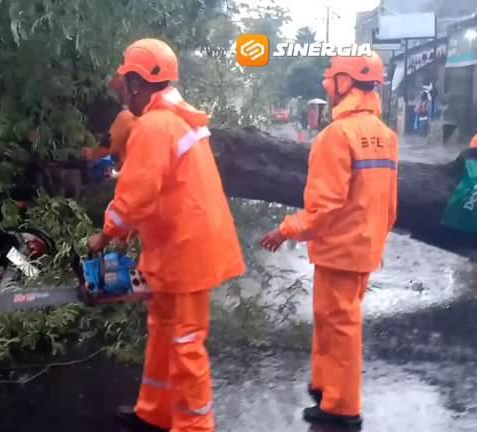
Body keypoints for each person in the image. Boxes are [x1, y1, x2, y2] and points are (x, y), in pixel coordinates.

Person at [87, 38, 245, 432]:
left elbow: (136, 193)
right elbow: (165, 190)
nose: (123, 93)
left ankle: (195, 426)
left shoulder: (156, 126)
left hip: (188, 251)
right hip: (179, 246)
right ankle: (154, 412)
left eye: (126, 85)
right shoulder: (176, 120)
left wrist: (106, 234)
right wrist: (129, 230)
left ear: (138, 84)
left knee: (185, 343)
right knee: (163, 331)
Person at [260, 51, 397, 428]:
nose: (330, 89)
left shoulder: (336, 135)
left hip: (339, 248)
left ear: (346, 83)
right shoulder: (385, 136)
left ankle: (342, 407)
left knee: (339, 327)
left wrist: (286, 229)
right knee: (333, 321)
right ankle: (326, 388)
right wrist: (375, 239)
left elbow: (323, 204)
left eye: (334, 81)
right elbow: (391, 205)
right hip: (364, 247)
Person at [81, 73, 136, 170]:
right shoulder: (166, 116)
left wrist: (88, 152)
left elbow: (107, 145)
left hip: (133, 176)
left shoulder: (127, 118)